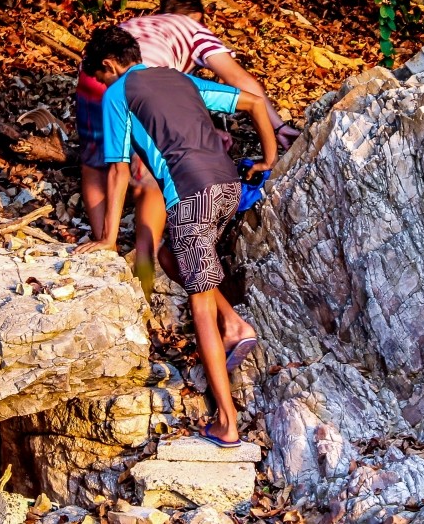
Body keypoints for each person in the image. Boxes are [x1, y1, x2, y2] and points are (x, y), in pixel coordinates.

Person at [75, 25, 276, 447]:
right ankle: (235, 323)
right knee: (171, 257)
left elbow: (117, 168)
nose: (104, 85)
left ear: (109, 66)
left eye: (102, 76)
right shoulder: (178, 77)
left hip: (190, 196)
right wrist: (268, 161)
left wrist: (109, 238)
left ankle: (227, 422)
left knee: (199, 308)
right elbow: (255, 102)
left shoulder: (118, 94)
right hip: (226, 188)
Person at [76, 0, 298, 297]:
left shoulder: (137, 27)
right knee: (150, 183)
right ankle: (145, 273)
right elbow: (239, 82)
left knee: (93, 162)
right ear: (196, 17)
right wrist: (278, 126)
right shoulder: (194, 31)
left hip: (89, 78)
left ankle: (104, 244)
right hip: (134, 90)